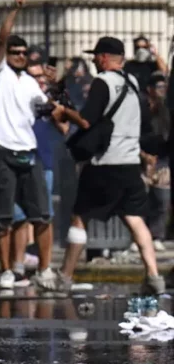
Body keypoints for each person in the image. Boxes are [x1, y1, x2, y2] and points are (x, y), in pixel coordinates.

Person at [57, 37, 165, 295]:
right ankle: (154, 275)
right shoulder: (132, 83)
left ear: (105, 57)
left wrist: (63, 111)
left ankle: (65, 277)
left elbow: (85, 121)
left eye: (96, 56)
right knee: (136, 219)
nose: (94, 60)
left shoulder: (102, 82)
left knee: (79, 216)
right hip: (129, 163)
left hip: (105, 162)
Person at [0, 0, 59, 291]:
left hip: (28, 150)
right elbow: (2, 39)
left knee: (42, 214)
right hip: (2, 148)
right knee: (2, 216)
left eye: (23, 53)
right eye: (15, 53)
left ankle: (45, 269)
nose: (19, 57)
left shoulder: (30, 82)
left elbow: (46, 109)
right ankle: (5, 270)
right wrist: (14, 9)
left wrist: (55, 97)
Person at [8, 61, 69, 285]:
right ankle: (18, 265)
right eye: (34, 77)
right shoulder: (19, 98)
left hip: (44, 162)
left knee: (43, 216)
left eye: (42, 77)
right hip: (21, 158)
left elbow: (64, 128)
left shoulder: (49, 102)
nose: (39, 81)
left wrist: (53, 106)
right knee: (18, 217)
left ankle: (45, 267)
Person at [143, 74, 170, 248]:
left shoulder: (166, 110)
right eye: (158, 87)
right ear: (150, 89)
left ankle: (157, 236)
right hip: (142, 160)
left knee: (162, 200)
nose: (162, 90)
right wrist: (144, 156)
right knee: (141, 201)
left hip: (162, 161)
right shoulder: (141, 108)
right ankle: (141, 236)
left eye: (164, 87)